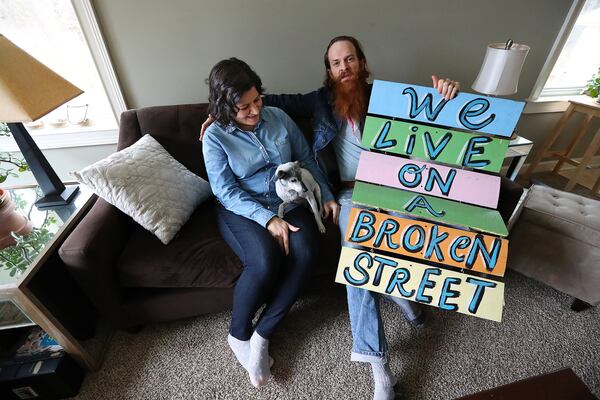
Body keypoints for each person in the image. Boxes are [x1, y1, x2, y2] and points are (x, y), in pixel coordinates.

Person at [200, 38, 460, 400]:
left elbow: (433, 117)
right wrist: (219, 115)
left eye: (350, 59)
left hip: (394, 187)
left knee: (433, 228)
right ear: (329, 71)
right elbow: (231, 180)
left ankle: (396, 288)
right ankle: (378, 367)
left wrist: (447, 96)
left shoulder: (391, 96)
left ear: (362, 62)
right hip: (334, 194)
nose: (344, 68)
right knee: (355, 254)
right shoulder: (315, 101)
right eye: (336, 62)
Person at [201, 58, 340, 389]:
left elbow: (306, 160)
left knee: (307, 252)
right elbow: (226, 191)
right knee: (264, 259)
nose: (254, 111)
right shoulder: (215, 138)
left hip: (287, 201)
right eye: (243, 107)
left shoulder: (278, 117)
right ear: (224, 108)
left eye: (257, 100)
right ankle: (238, 334)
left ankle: (262, 334)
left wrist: (327, 195)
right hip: (241, 208)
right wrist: (267, 221)